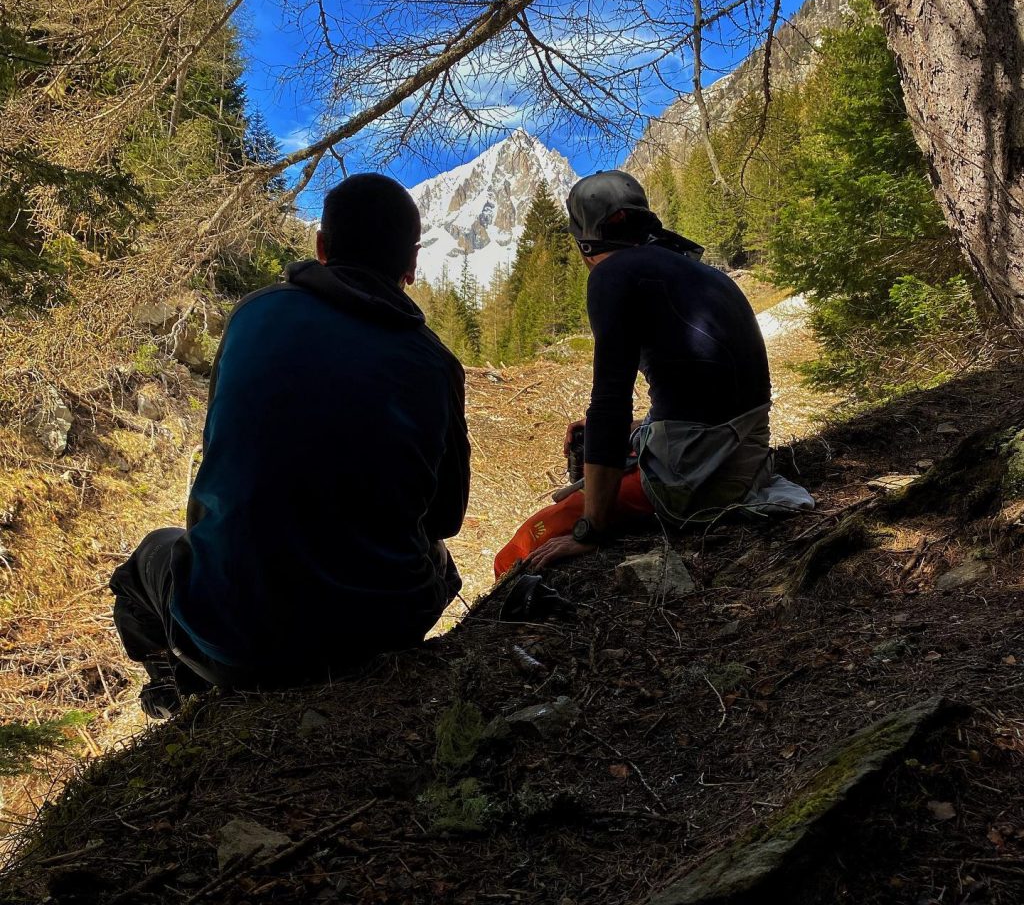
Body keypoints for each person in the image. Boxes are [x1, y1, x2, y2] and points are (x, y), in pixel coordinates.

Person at [111, 173, 470, 718]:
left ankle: (175, 678)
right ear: (412, 265)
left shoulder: (253, 315)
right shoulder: (438, 362)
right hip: (377, 637)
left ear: (322, 246)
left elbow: (225, 451)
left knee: (143, 564)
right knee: (443, 567)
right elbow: (445, 518)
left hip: (234, 637)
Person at [493, 169, 811, 577]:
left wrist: (590, 529)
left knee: (523, 546)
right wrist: (636, 430)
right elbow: (713, 392)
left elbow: (608, 404)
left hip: (695, 479)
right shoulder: (703, 272)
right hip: (746, 458)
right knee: (602, 446)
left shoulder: (612, 274)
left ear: (585, 240)